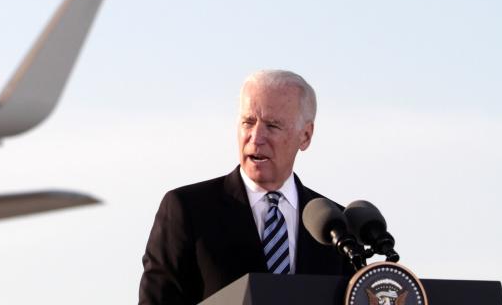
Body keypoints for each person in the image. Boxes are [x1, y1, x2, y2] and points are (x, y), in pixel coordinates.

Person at [138, 70, 351, 304]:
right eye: (248, 122)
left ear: (306, 135)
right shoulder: (187, 209)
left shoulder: (337, 226)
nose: (256, 137)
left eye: (272, 126)